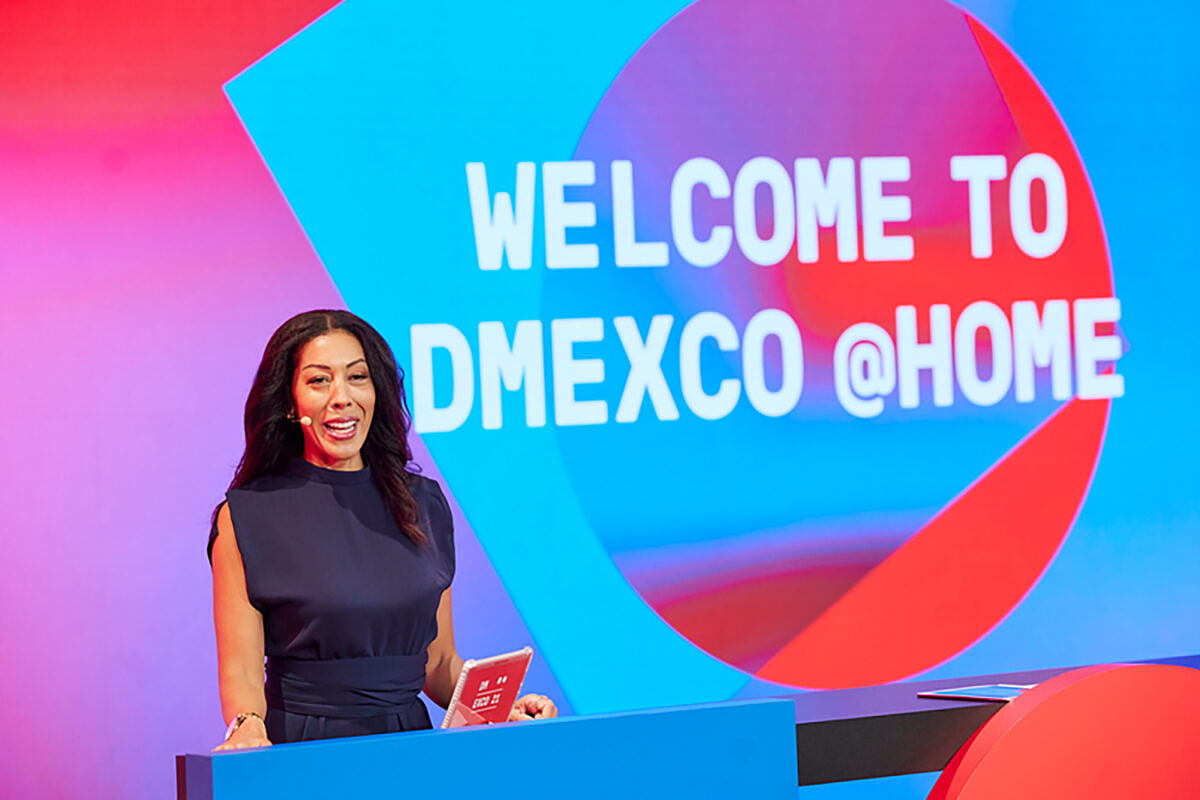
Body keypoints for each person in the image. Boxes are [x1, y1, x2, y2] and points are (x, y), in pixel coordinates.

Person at [209, 309, 556, 750]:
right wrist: (247, 726)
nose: (341, 397)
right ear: (291, 403)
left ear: (377, 391)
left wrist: (502, 709)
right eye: (319, 381)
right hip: (305, 749)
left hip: (409, 746)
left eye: (357, 377)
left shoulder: (423, 503)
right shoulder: (246, 516)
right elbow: (240, 671)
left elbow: (438, 663)